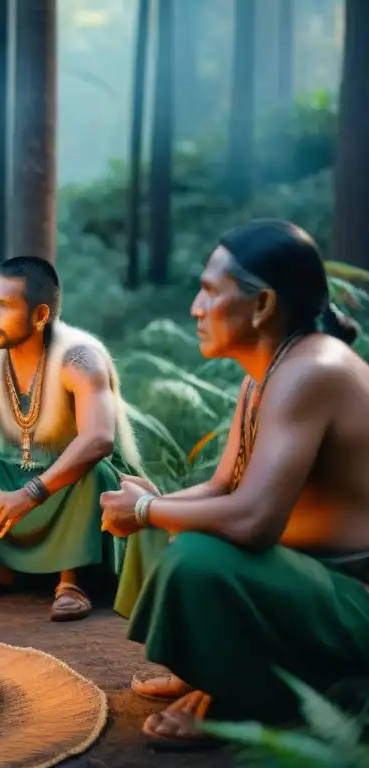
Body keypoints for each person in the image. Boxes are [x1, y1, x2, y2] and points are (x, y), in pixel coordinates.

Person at [100, 219, 369, 748]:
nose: (195, 309)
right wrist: (147, 506)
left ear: (263, 304)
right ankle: (207, 665)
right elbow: (224, 486)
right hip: (309, 581)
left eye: (208, 292)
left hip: (354, 601)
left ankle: (246, 699)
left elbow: (252, 521)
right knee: (164, 514)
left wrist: (150, 510)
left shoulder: (312, 371)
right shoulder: (267, 371)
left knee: (196, 552)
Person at [0, 256, 149, 621]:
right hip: (19, 469)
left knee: (93, 475)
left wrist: (30, 495)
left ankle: (71, 580)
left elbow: (97, 440)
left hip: (72, 481)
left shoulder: (79, 359)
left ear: (41, 315)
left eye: (4, 308)